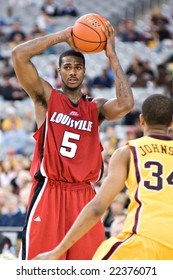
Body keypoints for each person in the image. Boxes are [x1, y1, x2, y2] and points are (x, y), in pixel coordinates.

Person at [12, 20, 134, 260]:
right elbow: (19, 54)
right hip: (50, 191)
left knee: (87, 267)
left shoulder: (95, 108)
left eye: (77, 67)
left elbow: (126, 104)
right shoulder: (46, 98)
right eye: (67, 67)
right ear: (59, 71)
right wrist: (64, 35)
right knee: (39, 267)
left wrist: (112, 56)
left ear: (84, 71)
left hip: (84, 195)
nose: (72, 71)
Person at [33, 94, 173, 260]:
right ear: (171, 122)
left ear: (141, 120)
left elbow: (97, 208)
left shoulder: (128, 152)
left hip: (144, 240)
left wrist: (56, 252)